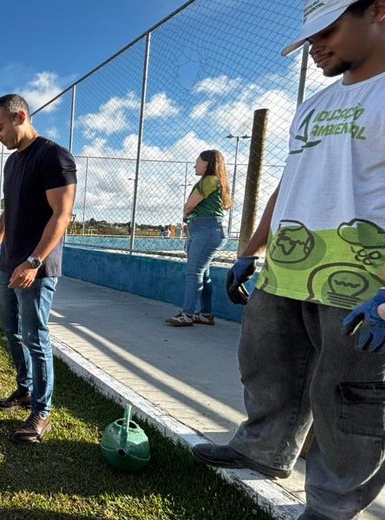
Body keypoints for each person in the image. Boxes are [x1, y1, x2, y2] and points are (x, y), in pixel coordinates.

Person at [191, 1, 385, 518]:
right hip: (289, 268)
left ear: (379, 12)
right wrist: (249, 251)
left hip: (365, 279)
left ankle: (332, 503)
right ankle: (263, 448)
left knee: (348, 397)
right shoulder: (313, 105)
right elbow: (289, 184)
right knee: (268, 367)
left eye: (328, 31)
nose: (314, 48)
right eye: (308, 40)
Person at [0, 94, 77, 443]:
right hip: (10, 263)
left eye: (0, 128)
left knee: (36, 335)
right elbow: (10, 210)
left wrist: (33, 261)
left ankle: (42, 411)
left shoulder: (54, 157)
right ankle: (24, 389)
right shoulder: (12, 163)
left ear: (21, 116)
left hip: (37, 267)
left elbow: (61, 215)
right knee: (10, 329)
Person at [165, 150, 231, 327]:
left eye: (198, 161)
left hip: (206, 230)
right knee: (204, 274)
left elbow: (189, 205)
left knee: (194, 272)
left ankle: (187, 314)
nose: (195, 165)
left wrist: (186, 213)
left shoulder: (209, 180)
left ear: (207, 163)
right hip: (204, 230)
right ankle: (205, 313)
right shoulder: (214, 181)